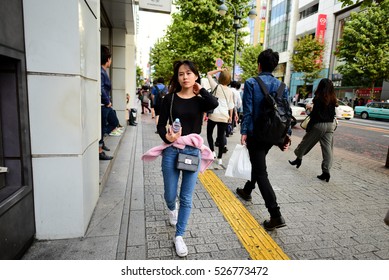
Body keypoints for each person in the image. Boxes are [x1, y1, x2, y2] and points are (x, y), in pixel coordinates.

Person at [142, 60, 218, 257]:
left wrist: (201, 90)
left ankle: (179, 236)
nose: (185, 77)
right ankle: (170, 208)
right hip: (172, 150)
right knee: (170, 194)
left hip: (192, 151)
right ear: (177, 77)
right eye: (181, 74)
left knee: (186, 196)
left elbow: (214, 104)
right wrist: (166, 137)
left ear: (196, 75)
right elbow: (160, 125)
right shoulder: (170, 99)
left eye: (189, 73)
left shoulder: (201, 99)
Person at [236, 49, 291, 231]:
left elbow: (249, 110)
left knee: (261, 172)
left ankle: (275, 214)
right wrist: (286, 136)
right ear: (275, 66)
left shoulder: (252, 83)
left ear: (259, 65)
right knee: (258, 163)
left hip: (256, 134)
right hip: (273, 135)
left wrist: (244, 131)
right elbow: (287, 113)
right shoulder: (283, 86)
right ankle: (247, 190)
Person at [289, 78, 338, 182]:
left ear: (320, 86)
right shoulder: (333, 98)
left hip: (319, 125)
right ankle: (326, 172)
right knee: (327, 149)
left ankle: (298, 159)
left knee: (305, 142)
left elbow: (315, 115)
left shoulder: (318, 98)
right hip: (330, 125)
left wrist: (309, 127)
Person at [206, 68, 235, 165]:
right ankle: (220, 158)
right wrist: (230, 116)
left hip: (213, 115)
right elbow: (231, 105)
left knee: (209, 133)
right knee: (221, 136)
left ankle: (212, 151)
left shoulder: (215, 86)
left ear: (220, 78)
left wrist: (219, 70)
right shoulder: (230, 91)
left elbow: (208, 73)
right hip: (224, 116)